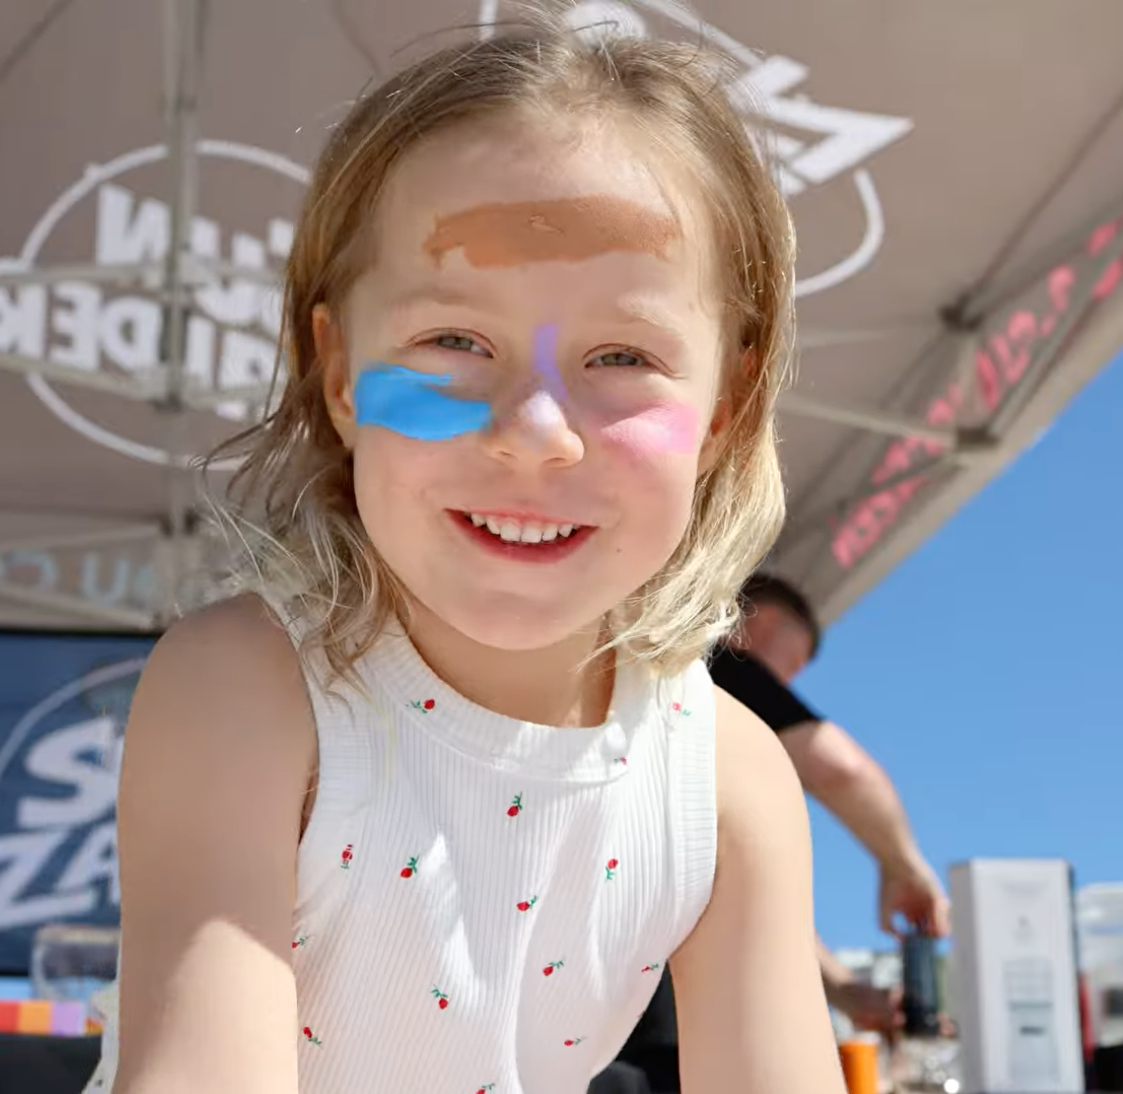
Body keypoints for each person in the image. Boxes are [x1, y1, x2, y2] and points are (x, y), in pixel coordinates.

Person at [95, 23, 847, 1094]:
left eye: (620, 356)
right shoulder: (247, 689)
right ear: (342, 374)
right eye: (453, 341)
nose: (533, 426)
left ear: (721, 410)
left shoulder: (725, 777)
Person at [609, 573, 952, 1092]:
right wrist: (903, 864)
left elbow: (751, 901)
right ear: (752, 622)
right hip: (662, 1039)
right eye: (788, 667)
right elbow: (841, 769)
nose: (783, 688)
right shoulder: (700, 661)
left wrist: (847, 993)